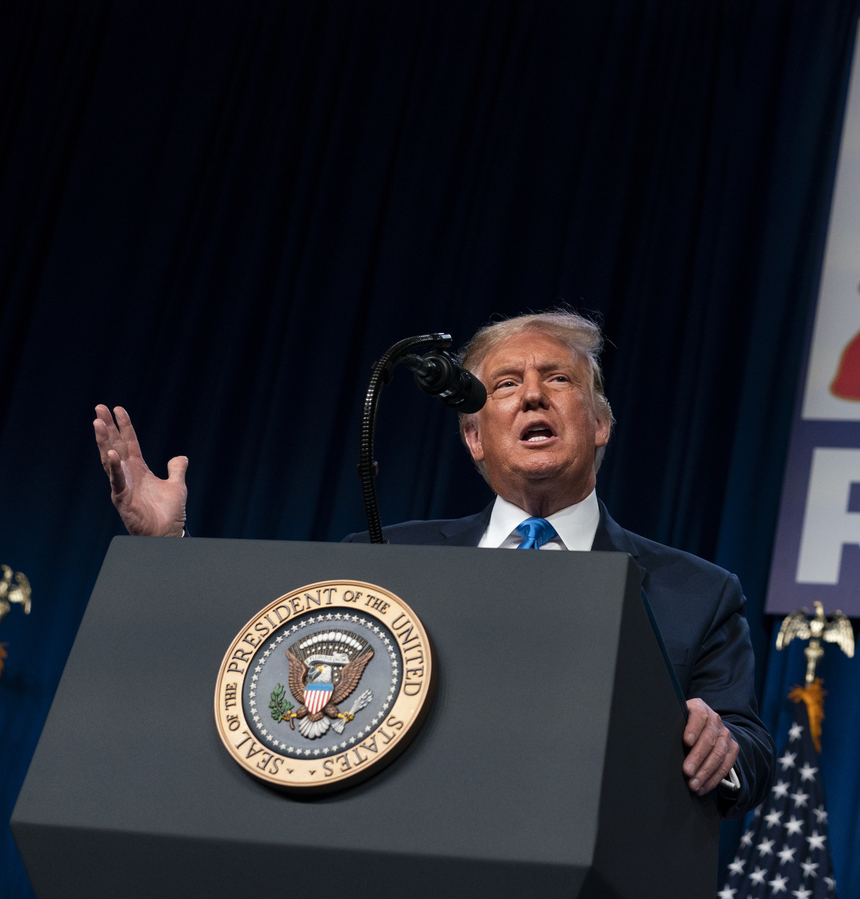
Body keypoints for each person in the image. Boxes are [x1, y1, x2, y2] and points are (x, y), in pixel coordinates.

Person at [94, 310, 774, 816]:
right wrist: (166, 552)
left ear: (599, 423)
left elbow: (748, 748)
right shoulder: (385, 559)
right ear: (474, 436)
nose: (533, 395)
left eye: (557, 378)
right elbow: (252, 678)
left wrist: (722, 748)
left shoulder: (699, 592)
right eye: (505, 383)